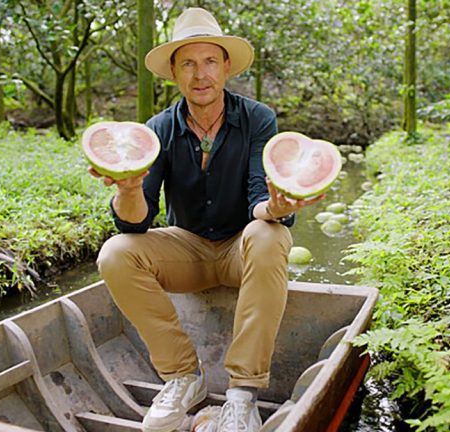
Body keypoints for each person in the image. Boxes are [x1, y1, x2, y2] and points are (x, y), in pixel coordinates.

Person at [89, 7, 324, 432]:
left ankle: (242, 394)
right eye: (189, 64)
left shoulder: (257, 119)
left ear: (226, 66)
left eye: (210, 61)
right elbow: (136, 224)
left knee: (268, 235)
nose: (201, 75)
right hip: (189, 251)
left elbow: (259, 198)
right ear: (174, 73)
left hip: (242, 249)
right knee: (115, 253)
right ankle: (183, 376)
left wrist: (276, 208)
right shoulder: (158, 128)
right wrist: (127, 191)